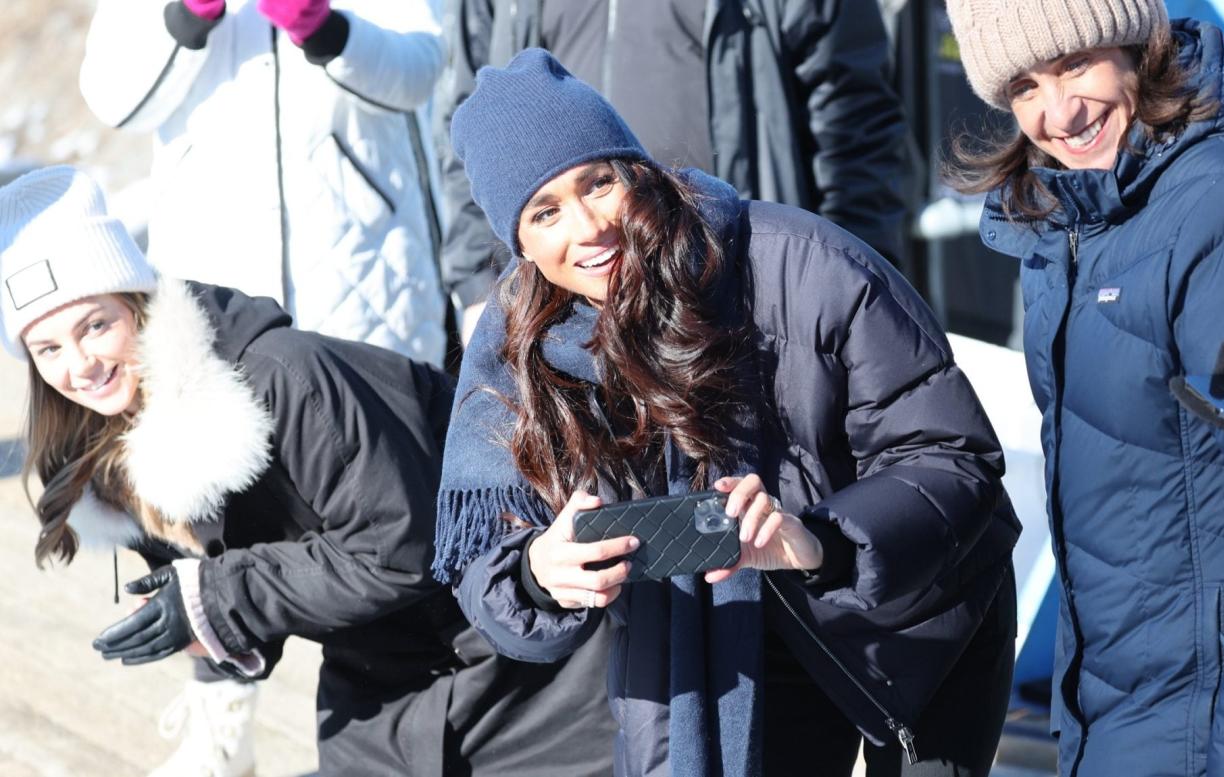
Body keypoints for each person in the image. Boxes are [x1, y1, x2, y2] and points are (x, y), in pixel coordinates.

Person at [433, 49, 1020, 776]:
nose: (587, 227)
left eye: (599, 182)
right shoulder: (519, 347)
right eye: (545, 212)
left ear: (637, 172)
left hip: (907, 622)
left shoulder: (802, 265)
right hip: (708, 633)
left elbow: (954, 458)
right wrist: (539, 573)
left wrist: (813, 540)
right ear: (518, 242)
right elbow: (481, 558)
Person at [0, 166, 616, 777]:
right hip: (381, 674)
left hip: (518, 647)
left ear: (137, 303)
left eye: (95, 326)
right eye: (48, 349)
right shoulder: (117, 440)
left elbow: (407, 548)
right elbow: (248, 587)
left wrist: (221, 598)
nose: (79, 365)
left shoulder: (283, 376)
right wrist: (208, 630)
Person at [944, 1, 1224, 774]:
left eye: (1075, 64)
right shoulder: (1065, 220)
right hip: (1107, 687)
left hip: (1207, 706)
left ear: (1135, 45)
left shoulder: (1217, 202)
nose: (1059, 112)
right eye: (1025, 87)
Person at [433, 0, 908, 346]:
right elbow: (467, 124)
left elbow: (856, 128)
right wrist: (483, 288)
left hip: (741, 298)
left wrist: (848, 285)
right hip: (566, 314)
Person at [79, 0, 447, 364]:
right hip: (212, 283)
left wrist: (324, 28)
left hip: (363, 279)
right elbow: (111, 95)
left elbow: (420, 69)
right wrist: (188, 14)